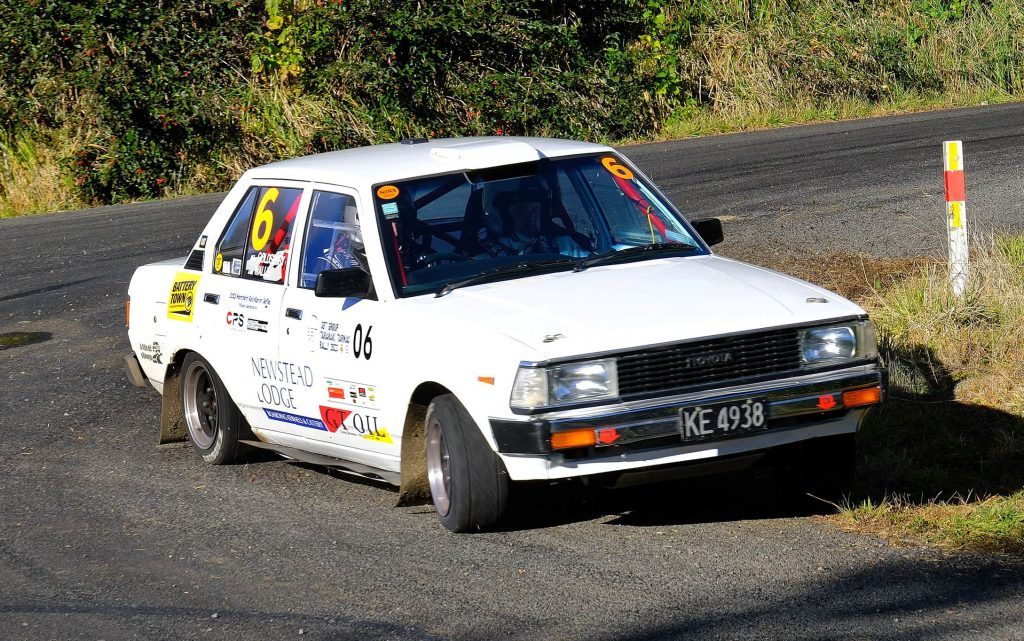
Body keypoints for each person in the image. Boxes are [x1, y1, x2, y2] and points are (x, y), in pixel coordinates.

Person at [479, 187, 556, 257]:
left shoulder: (559, 242)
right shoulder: (484, 259)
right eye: (522, 210)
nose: (533, 216)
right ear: (504, 218)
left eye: (535, 209)